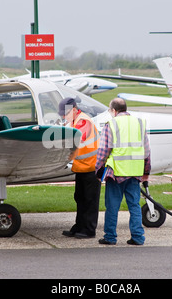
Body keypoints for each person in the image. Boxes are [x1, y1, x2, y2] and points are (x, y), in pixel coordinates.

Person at [95, 98, 150, 246]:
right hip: (135, 172)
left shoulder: (111, 124)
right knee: (134, 205)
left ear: (114, 110)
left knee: (112, 206)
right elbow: (146, 150)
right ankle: (138, 237)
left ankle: (110, 237)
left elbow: (103, 150)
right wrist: (146, 171)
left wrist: (97, 169)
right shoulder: (139, 123)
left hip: (117, 172)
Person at [58, 97, 101, 239]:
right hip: (82, 168)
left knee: (90, 200)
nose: (64, 117)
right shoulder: (74, 121)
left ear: (75, 110)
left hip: (91, 168)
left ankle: (89, 230)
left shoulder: (84, 121)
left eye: (66, 114)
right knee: (80, 198)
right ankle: (79, 226)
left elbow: (77, 139)